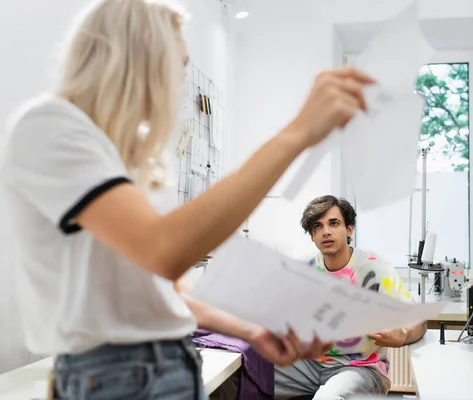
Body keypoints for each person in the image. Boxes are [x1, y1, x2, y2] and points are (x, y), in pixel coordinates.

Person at [0, 1, 375, 399]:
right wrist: (296, 134)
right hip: (123, 373)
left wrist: (253, 331)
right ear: (145, 48)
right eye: (177, 66)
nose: (177, 86)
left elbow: (159, 289)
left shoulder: (107, 157)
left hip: (159, 366)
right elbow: (163, 251)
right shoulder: (51, 126)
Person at [274, 195, 426, 399]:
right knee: (244, 373)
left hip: (361, 368)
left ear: (349, 229)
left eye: (334, 223)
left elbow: (419, 320)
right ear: (312, 236)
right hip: (308, 364)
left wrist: (403, 335)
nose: (326, 231)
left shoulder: (374, 269)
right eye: (318, 226)